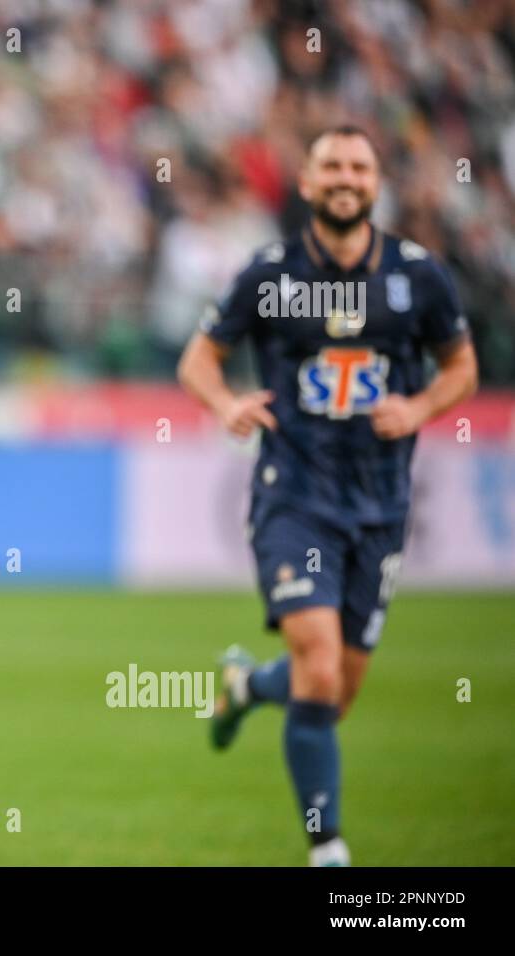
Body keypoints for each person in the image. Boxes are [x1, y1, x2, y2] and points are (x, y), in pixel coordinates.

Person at [177, 127, 479, 866]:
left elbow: (462, 367)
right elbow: (198, 361)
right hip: (295, 496)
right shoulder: (269, 273)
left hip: (380, 505)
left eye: (358, 166)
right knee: (317, 668)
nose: (345, 177)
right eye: (331, 166)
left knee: (334, 693)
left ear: (375, 183)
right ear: (306, 184)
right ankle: (329, 852)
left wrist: (418, 409)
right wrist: (225, 406)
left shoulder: (418, 276)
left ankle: (246, 685)